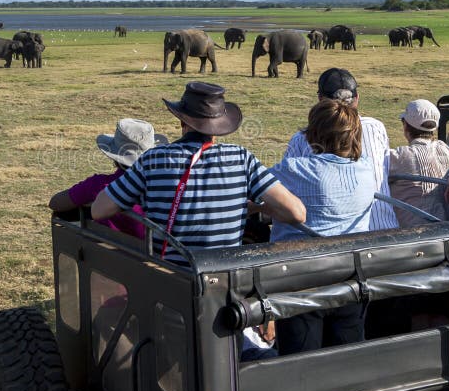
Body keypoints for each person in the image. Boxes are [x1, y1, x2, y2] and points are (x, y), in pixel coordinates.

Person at [92, 81, 306, 262]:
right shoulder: (242, 158)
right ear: (221, 125)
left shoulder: (153, 159)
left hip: (170, 280)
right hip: (223, 284)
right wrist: (249, 208)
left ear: (181, 120)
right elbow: (297, 213)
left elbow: (98, 210)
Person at [269, 98, 375, 354]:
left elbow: (256, 194)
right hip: (351, 278)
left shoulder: (294, 169)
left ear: (312, 135)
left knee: (299, 362)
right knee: (347, 358)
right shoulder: (366, 170)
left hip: (299, 280)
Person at [284, 67, 399, 231]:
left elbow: (283, 190)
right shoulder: (376, 128)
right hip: (385, 230)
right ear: (357, 98)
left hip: (332, 242)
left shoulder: (302, 138)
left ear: (321, 99)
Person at [49, 118, 168, 239]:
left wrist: (90, 203)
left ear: (115, 156)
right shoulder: (165, 186)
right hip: (154, 254)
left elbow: (55, 203)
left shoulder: (100, 185)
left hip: (105, 253)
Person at [388, 99, 449, 227]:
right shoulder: (444, 149)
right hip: (446, 226)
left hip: (411, 232)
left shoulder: (401, 156)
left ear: (405, 126)